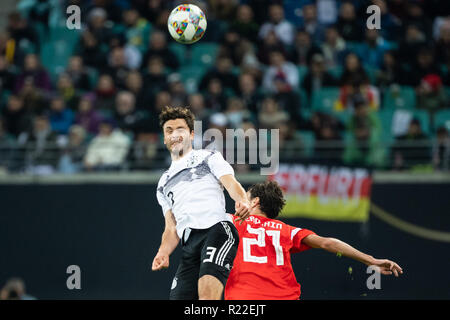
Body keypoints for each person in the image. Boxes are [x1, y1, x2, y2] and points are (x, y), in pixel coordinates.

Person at [224, 180, 403, 300]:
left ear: (254, 202)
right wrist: (371, 260)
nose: (240, 201)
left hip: (244, 298)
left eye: (245, 197)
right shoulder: (287, 230)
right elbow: (328, 243)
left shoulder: (229, 222)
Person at [151, 106, 251, 300]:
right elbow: (171, 228)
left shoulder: (208, 157)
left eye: (180, 129)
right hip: (190, 247)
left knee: (207, 299)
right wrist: (163, 252)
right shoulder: (163, 183)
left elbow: (231, 183)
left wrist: (242, 201)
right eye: (169, 130)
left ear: (191, 134)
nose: (174, 134)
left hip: (217, 231)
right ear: (164, 138)